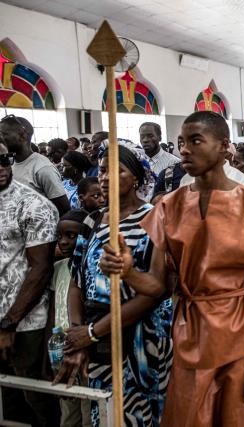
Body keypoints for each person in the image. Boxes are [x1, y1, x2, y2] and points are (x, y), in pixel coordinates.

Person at [99, 111, 244, 426]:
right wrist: (128, 272)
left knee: (232, 418)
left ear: (223, 147)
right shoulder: (169, 206)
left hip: (238, 330)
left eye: (195, 141)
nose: (184, 150)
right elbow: (159, 286)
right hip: (188, 329)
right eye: (181, 142)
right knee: (187, 416)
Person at [55, 139, 173, 427]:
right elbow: (76, 283)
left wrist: (92, 332)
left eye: (116, 171)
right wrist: (79, 335)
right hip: (98, 341)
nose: (105, 177)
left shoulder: (155, 219)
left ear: (137, 178)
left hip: (140, 341)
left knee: (140, 417)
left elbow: (155, 292)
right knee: (104, 416)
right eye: (102, 170)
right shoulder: (93, 220)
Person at [0, 142, 62, 427]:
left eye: (4, 159)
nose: (1, 167)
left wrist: (9, 324)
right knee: (8, 398)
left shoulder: (34, 205)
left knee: (34, 396)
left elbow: (40, 269)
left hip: (25, 322)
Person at [50, 209, 92, 427]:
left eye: (71, 235)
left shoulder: (90, 270)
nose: (63, 242)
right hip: (60, 349)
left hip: (85, 350)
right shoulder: (58, 268)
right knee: (68, 412)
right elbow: (53, 312)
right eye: (60, 236)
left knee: (88, 411)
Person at [0, 115, 70, 215]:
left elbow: (63, 209)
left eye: (3, 134)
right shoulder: (8, 164)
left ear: (22, 136)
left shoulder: (43, 168)